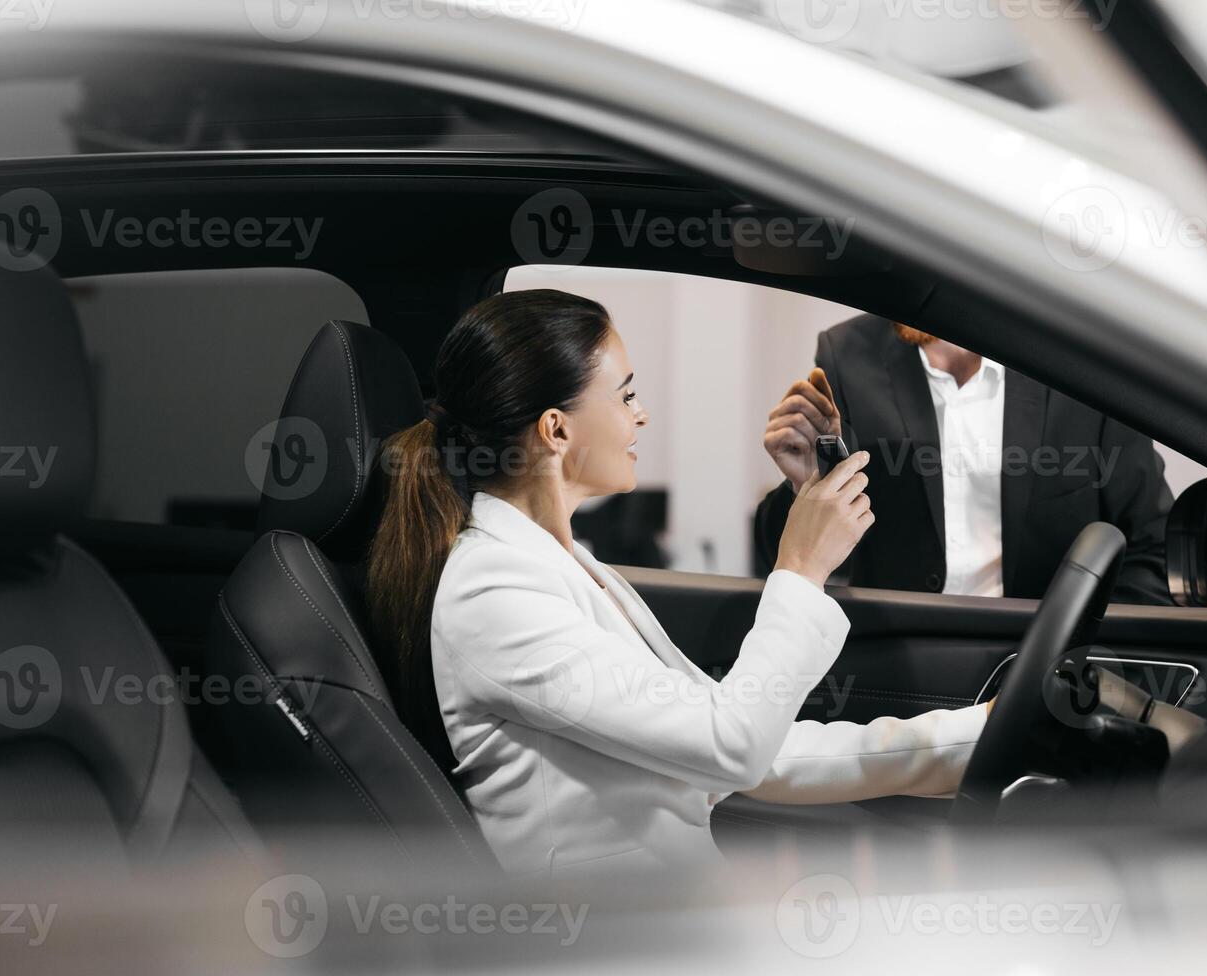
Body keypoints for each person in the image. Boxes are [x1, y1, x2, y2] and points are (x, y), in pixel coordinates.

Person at [367, 290, 990, 879]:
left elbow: (755, 751)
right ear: (557, 430)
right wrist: (800, 571)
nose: (641, 415)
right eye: (626, 395)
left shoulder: (564, 566)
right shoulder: (494, 593)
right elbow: (733, 746)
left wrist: (973, 736)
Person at [754, 316, 1174, 604]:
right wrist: (804, 487)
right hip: (897, 673)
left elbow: (1154, 550)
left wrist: (1089, 663)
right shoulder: (847, 354)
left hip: (1040, 671)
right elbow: (791, 565)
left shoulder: (1083, 361)